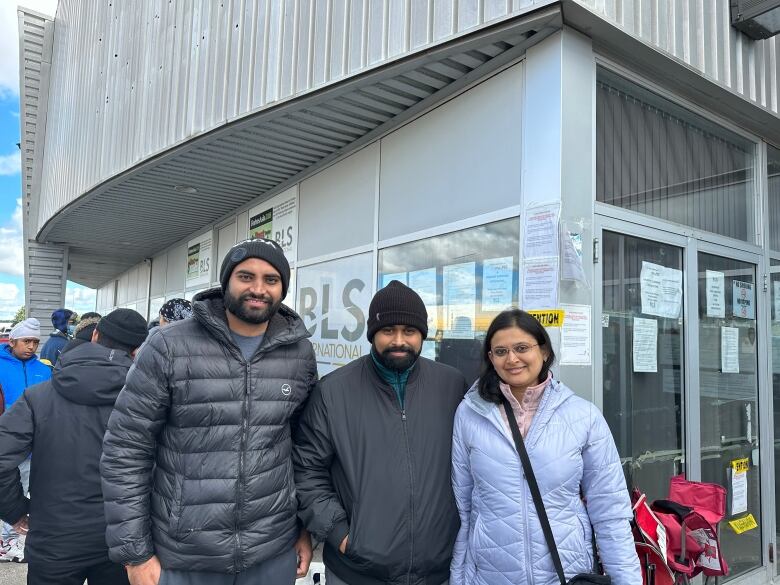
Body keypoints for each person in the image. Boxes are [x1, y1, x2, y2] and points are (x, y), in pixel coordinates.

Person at [101, 238, 318, 585]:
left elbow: (305, 450)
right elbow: (125, 451)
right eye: (246, 276)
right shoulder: (169, 345)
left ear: (283, 288)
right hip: (183, 556)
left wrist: (303, 530)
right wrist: (135, 555)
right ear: (226, 281)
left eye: (271, 279)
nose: (258, 288)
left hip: (271, 552)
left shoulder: (299, 353)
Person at [294, 280, 467, 585]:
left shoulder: (452, 386)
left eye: (409, 331)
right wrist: (341, 534)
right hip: (357, 572)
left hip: (438, 571)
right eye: (388, 331)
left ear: (423, 335)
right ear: (373, 334)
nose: (399, 340)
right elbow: (308, 471)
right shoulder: (333, 392)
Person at [450, 309, 641, 585]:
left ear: (545, 352)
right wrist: (460, 578)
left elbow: (610, 513)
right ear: (491, 359)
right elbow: (465, 512)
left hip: (565, 574)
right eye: (500, 351)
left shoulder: (582, 416)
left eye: (522, 348)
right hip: (491, 576)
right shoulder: (470, 414)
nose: (512, 358)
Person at [0, 309, 147, 583]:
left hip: (55, 537)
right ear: (137, 351)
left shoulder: (38, 397)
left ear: (94, 335)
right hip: (124, 537)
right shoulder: (147, 401)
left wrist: (15, 509)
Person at [0, 318, 51, 562]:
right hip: (7, 445)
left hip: (36, 446)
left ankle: (11, 538)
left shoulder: (44, 369)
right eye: (26, 341)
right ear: (12, 341)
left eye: (35, 342)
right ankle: (6, 541)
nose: (31, 346)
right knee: (7, 492)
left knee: (26, 494)